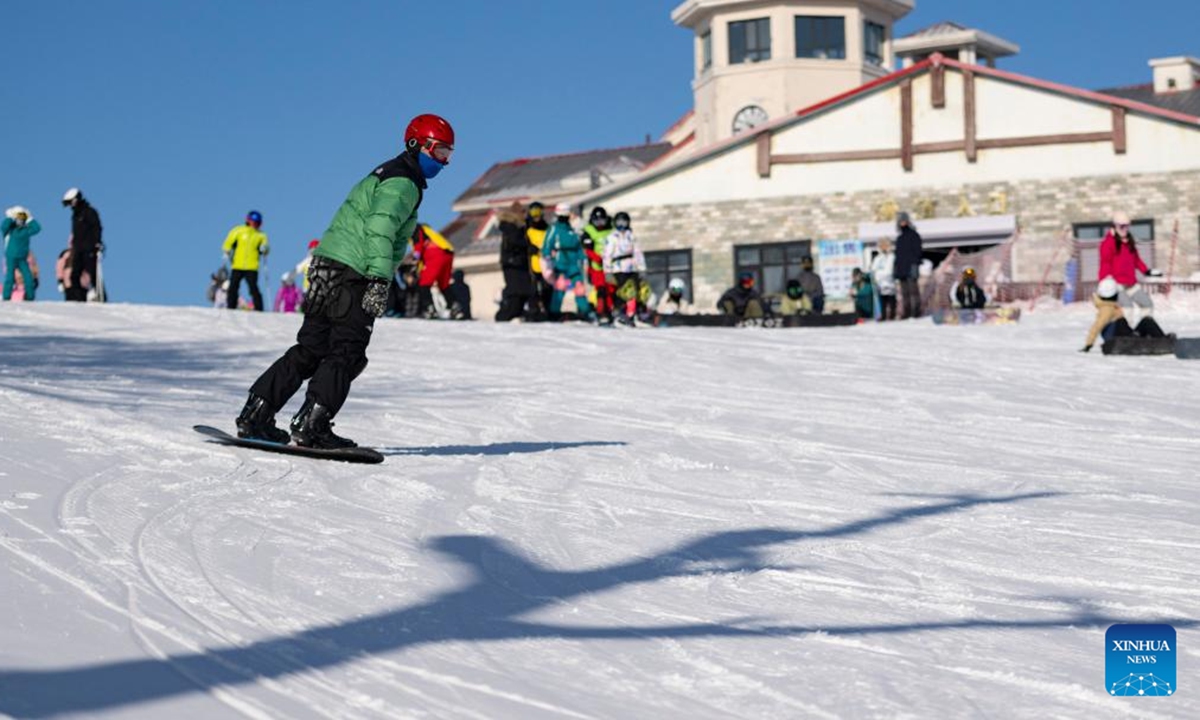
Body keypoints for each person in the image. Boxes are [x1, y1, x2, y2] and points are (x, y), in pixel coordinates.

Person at [236, 113, 454, 448]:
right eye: (439, 152)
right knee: (347, 351)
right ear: (416, 145)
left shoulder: (384, 173)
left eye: (448, 155)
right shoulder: (403, 181)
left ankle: (257, 413)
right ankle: (313, 425)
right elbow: (379, 230)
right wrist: (380, 281)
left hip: (327, 266)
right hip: (354, 273)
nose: (443, 162)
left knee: (310, 348)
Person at [1099, 210, 1161, 323]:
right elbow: (1105, 262)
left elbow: (1136, 260)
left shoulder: (1129, 241)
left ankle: (1144, 329)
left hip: (1130, 283)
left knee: (1147, 304)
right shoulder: (1108, 243)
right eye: (1122, 226)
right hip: (1116, 284)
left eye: (1127, 226)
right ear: (1115, 226)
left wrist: (1146, 271)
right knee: (1127, 306)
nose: (1125, 229)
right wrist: (1106, 279)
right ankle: (1126, 335)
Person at [541, 203, 593, 320]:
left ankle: (585, 311)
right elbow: (547, 246)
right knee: (560, 287)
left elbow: (578, 247)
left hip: (573, 263)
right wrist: (548, 258)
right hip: (560, 263)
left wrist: (583, 258)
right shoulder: (554, 228)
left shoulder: (572, 230)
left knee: (579, 288)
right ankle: (554, 312)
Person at [603, 211, 647, 325]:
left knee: (635, 291)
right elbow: (607, 255)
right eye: (619, 222)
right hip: (618, 268)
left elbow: (637, 252)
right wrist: (607, 271)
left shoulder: (631, 236)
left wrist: (642, 268)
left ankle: (632, 314)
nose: (622, 225)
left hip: (631, 267)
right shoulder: (612, 237)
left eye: (624, 222)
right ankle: (619, 313)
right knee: (624, 292)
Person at [61, 188, 102, 302]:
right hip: (78, 250)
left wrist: (97, 243)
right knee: (74, 275)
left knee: (93, 275)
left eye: (70, 203)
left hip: (89, 249)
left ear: (75, 200)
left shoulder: (89, 212)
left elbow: (97, 228)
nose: (70, 206)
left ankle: (101, 297)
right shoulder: (75, 215)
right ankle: (78, 300)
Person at [222, 210, 269, 311]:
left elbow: (266, 246)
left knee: (253, 288)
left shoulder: (261, 235)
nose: (255, 224)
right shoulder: (238, 230)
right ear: (248, 220)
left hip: (252, 266)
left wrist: (264, 249)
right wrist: (227, 250)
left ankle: (259, 309)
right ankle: (231, 307)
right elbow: (228, 242)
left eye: (257, 222)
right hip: (237, 264)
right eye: (253, 221)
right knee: (233, 287)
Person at [495, 201, 533, 322]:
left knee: (524, 292)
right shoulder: (510, 226)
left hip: (519, 263)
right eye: (522, 212)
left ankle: (517, 314)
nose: (525, 214)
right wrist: (528, 245)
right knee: (515, 292)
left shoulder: (520, 227)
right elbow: (515, 241)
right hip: (512, 263)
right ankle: (504, 316)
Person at [413, 224, 455, 318]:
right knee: (444, 284)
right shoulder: (426, 229)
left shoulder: (414, 228)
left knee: (424, 283)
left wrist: (415, 260)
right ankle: (455, 307)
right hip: (447, 253)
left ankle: (429, 309)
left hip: (435, 253)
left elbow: (418, 245)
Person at [581, 207, 615, 322]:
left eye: (602, 221)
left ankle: (612, 311)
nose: (600, 225)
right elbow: (587, 249)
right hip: (597, 267)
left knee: (611, 289)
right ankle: (601, 312)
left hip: (611, 266)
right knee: (600, 290)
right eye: (597, 222)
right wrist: (597, 258)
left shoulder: (611, 230)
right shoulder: (589, 231)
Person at [3, 206, 40, 301]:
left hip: (22, 258)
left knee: (28, 277)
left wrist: (30, 218)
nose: (20, 221)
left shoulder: (26, 230)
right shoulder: (10, 230)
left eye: (22, 219)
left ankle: (30, 297)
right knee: (10, 278)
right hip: (11, 257)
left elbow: (37, 228)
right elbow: (3, 227)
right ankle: (6, 297)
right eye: (18, 219)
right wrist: (9, 216)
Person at [525, 201, 552, 319]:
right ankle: (533, 310)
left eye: (539, 212)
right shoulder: (526, 228)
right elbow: (523, 244)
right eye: (534, 212)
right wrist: (532, 249)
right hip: (532, 263)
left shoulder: (547, 228)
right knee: (534, 289)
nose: (536, 215)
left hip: (546, 263)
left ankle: (547, 310)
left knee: (547, 288)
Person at [894, 211, 923, 319]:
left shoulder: (914, 235)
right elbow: (897, 256)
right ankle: (906, 311)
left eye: (904, 220)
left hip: (911, 267)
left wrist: (915, 262)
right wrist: (896, 269)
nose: (902, 223)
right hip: (901, 269)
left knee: (913, 290)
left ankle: (916, 311)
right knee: (904, 292)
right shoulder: (899, 239)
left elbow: (918, 251)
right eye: (900, 221)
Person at [871, 238, 897, 321]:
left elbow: (889, 271)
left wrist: (880, 274)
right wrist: (877, 276)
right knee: (882, 300)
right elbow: (873, 269)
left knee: (891, 299)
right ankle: (883, 315)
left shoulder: (892, 256)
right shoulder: (878, 258)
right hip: (880, 283)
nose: (883, 247)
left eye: (885, 245)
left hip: (890, 281)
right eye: (881, 245)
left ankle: (892, 315)